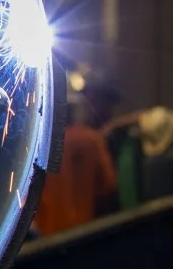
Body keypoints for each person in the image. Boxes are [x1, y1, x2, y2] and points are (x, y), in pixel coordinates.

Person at [34, 81, 118, 235]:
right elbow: (108, 187)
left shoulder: (38, 145)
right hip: (86, 237)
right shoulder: (93, 140)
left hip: (47, 242)